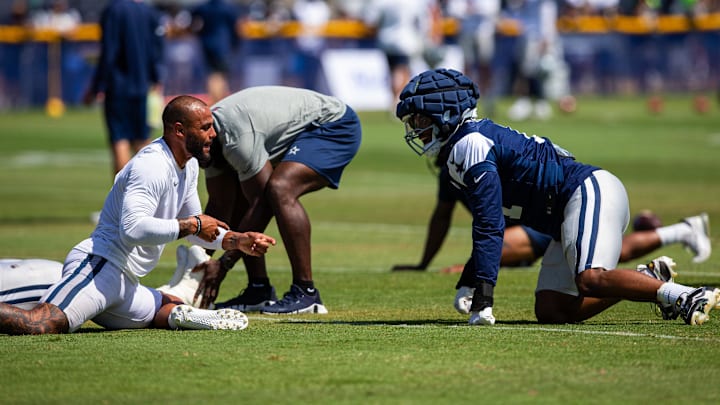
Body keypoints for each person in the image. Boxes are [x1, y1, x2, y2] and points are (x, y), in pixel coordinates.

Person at [395, 67, 719, 326]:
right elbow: (495, 220)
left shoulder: (471, 144)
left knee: (591, 279)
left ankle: (687, 295)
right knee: (553, 309)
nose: (416, 128)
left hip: (584, 190)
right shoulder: (462, 149)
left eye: (420, 119)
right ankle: (646, 279)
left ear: (446, 113)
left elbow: (489, 224)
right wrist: (470, 280)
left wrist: (483, 295)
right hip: (562, 214)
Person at [0, 96, 277, 335]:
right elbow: (133, 229)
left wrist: (235, 240)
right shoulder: (152, 165)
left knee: (168, 306)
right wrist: (192, 225)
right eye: (205, 127)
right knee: (39, 324)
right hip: (100, 266)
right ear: (179, 131)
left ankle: (184, 314)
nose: (213, 134)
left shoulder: (189, 165)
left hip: (126, 281)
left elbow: (199, 231)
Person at [192, 86, 362, 315]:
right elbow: (219, 206)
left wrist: (223, 264)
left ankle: (306, 293)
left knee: (279, 189)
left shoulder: (235, 138)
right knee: (242, 206)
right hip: (294, 129)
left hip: (333, 125)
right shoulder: (206, 139)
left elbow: (262, 204)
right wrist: (194, 269)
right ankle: (258, 290)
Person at [391, 157, 712, 273]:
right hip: (527, 228)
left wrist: (473, 267)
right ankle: (680, 231)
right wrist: (422, 265)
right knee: (604, 260)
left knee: (596, 267)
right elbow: (441, 217)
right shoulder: (449, 176)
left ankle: (680, 233)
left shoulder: (481, 160)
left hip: (540, 220)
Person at [83, 0, 165, 176]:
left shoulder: (114, 10)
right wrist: (156, 78)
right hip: (143, 85)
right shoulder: (148, 11)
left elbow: (109, 52)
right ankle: (153, 190)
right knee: (142, 140)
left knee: (120, 140)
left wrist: (97, 86)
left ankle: (123, 198)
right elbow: (156, 49)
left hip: (118, 87)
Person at [190, 0, 243, 105]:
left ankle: (217, 102)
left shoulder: (203, 7)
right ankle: (218, 103)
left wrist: (199, 33)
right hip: (223, 45)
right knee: (219, 76)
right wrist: (235, 44)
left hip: (207, 44)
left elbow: (192, 22)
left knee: (213, 75)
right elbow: (236, 28)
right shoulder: (228, 8)